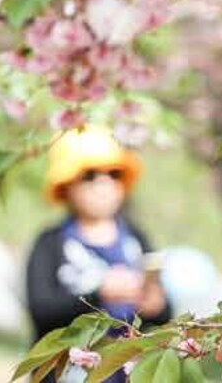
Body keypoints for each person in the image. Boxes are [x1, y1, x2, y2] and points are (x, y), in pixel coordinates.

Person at [26, 126, 171, 382]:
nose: (104, 184)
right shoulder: (50, 243)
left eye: (113, 174)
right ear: (67, 184)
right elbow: (42, 310)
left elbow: (162, 315)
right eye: (90, 175)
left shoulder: (136, 238)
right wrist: (99, 293)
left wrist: (156, 305)